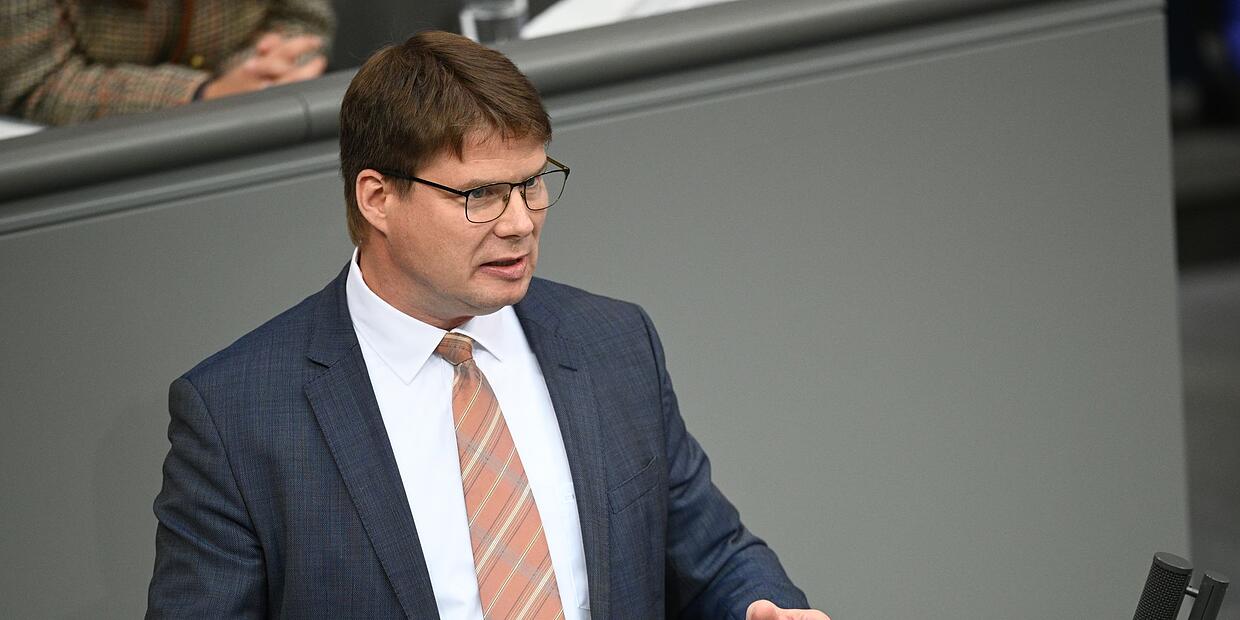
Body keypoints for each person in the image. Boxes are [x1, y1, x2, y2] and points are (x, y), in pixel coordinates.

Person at [146, 30, 829, 620]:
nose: (520, 222)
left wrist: (761, 606)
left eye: (531, 183)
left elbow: (713, 556)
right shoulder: (238, 416)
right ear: (378, 198)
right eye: (481, 194)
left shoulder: (613, 343)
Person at [0, 0, 333, 126]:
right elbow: (35, 82)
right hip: (84, 159)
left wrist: (261, 72)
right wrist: (201, 93)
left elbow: (303, 20)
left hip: (253, 129)